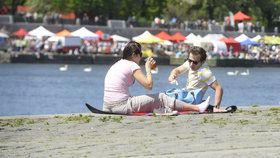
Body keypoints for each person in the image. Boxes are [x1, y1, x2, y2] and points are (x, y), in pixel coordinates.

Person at [103, 41, 210, 115]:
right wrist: (148, 69)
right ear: (134, 55)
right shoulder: (132, 65)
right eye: (140, 54)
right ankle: (197, 108)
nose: (141, 57)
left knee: (151, 100)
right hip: (122, 106)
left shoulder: (117, 64)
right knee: (161, 97)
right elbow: (149, 85)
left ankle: (164, 109)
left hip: (107, 106)